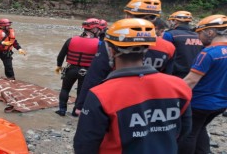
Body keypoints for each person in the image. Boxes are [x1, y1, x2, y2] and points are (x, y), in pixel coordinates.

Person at [73, 18, 192, 154]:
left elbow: (85, 144)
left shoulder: (100, 94)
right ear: (147, 49)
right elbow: (184, 130)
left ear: (111, 51)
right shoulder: (179, 86)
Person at [74, 0, 175, 115]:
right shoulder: (168, 47)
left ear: (128, 16)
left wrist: (81, 105)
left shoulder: (112, 43)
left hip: (115, 101)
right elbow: (166, 79)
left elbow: (95, 75)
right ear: (155, 18)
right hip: (149, 102)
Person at [178, 15, 227, 154]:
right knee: (200, 128)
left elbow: (190, 81)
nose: (198, 37)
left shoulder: (208, 53)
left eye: (199, 33)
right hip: (221, 104)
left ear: (210, 32)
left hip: (200, 103)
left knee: (189, 133)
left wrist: (170, 95)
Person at [54, 18, 100, 117]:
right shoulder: (99, 43)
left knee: (65, 89)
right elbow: (101, 60)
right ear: (94, 29)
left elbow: (61, 56)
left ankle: (62, 110)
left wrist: (58, 66)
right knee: (81, 92)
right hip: (87, 71)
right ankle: (76, 112)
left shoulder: (71, 40)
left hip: (71, 69)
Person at [163, 11, 203, 78]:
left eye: (171, 21)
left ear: (175, 21)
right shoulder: (199, 36)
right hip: (194, 74)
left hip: (174, 74)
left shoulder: (169, 35)